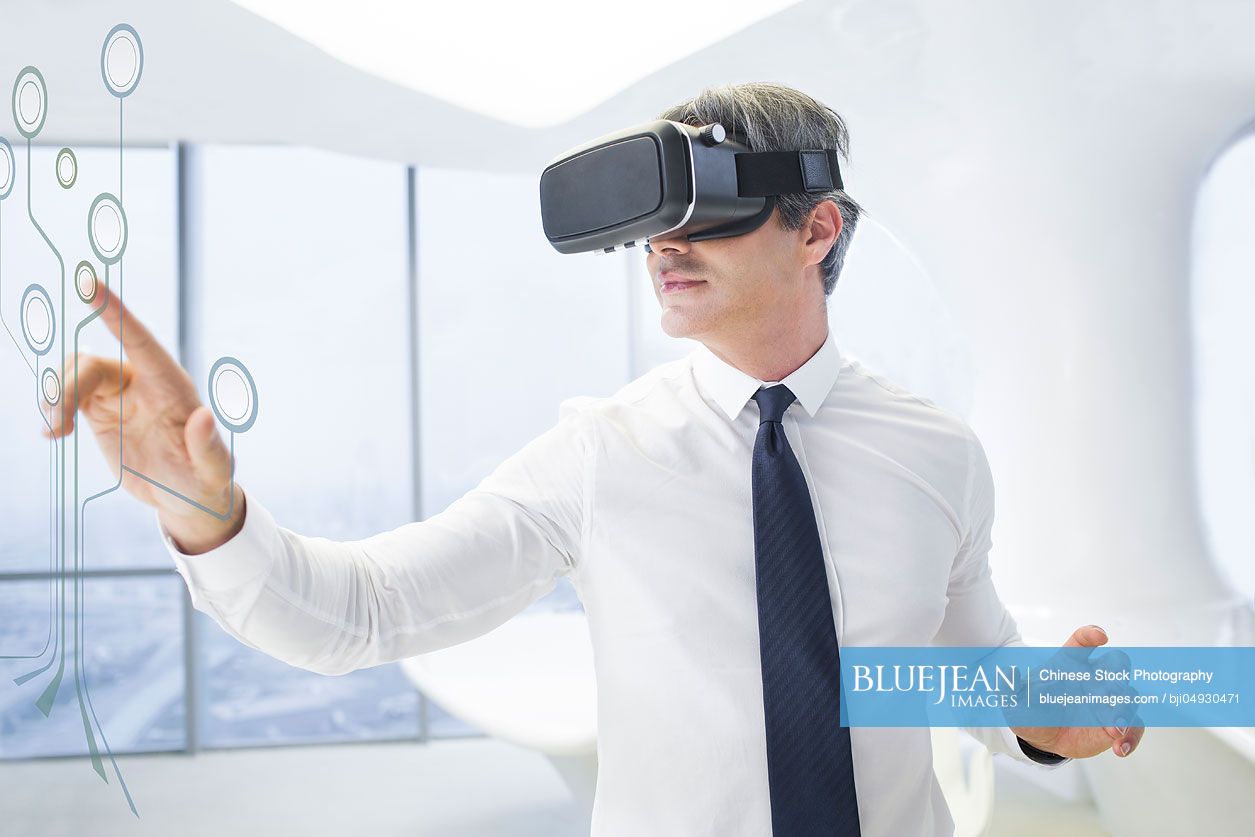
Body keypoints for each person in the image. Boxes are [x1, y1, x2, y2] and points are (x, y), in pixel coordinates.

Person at [43, 82, 1143, 836]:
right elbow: (359, 614)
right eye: (650, 218)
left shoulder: (935, 454)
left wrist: (1057, 720)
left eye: (701, 210)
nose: (662, 246)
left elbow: (979, 686)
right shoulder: (598, 456)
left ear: (815, 232)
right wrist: (207, 518)